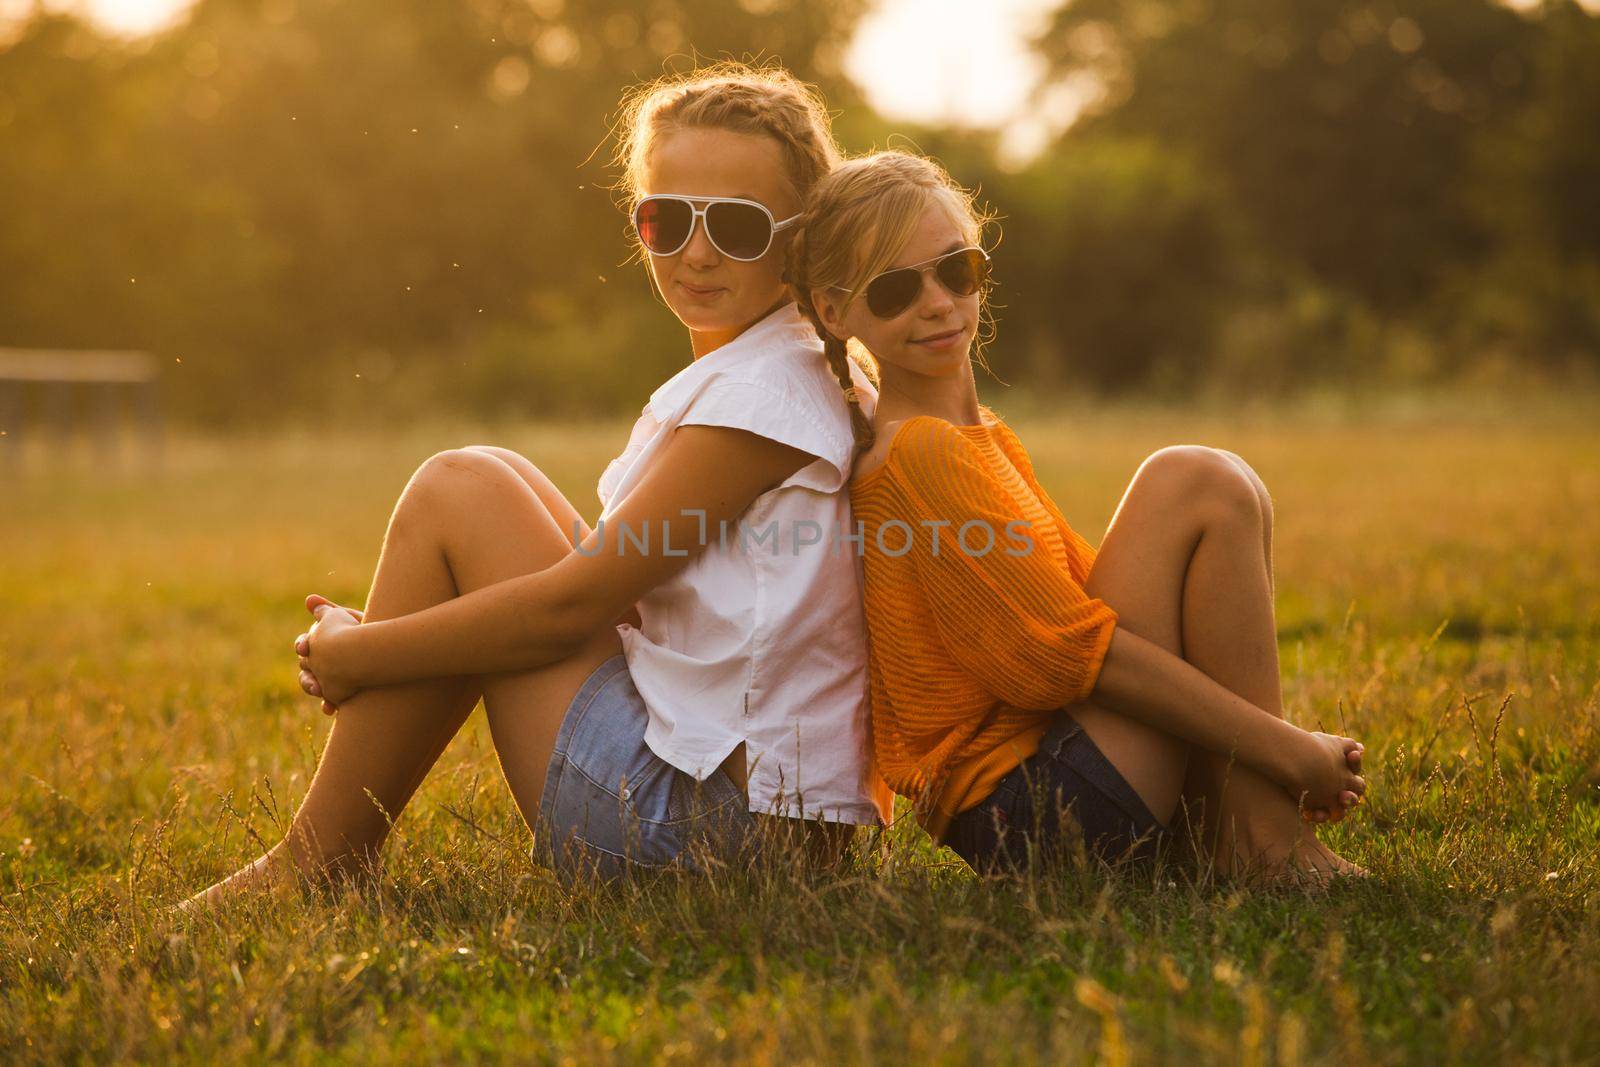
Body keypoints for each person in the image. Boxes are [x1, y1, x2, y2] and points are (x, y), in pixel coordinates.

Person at [185, 64, 890, 906]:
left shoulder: (762, 397)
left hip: (702, 841)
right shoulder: (787, 368)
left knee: (460, 487)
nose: (696, 252)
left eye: (737, 226)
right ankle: (329, 852)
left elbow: (567, 609)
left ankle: (318, 859)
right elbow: (616, 594)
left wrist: (355, 651)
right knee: (496, 481)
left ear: (801, 238)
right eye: (667, 219)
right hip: (750, 829)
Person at [788, 150, 1367, 882]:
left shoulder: (979, 436)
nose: (936, 302)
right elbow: (1060, 657)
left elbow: (1090, 602)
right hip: (1031, 810)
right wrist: (1284, 746)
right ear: (836, 313)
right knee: (1194, 479)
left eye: (955, 270)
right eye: (896, 290)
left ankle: (1249, 830)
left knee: (1218, 483)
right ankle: (1263, 842)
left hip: (1064, 771)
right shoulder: (918, 455)